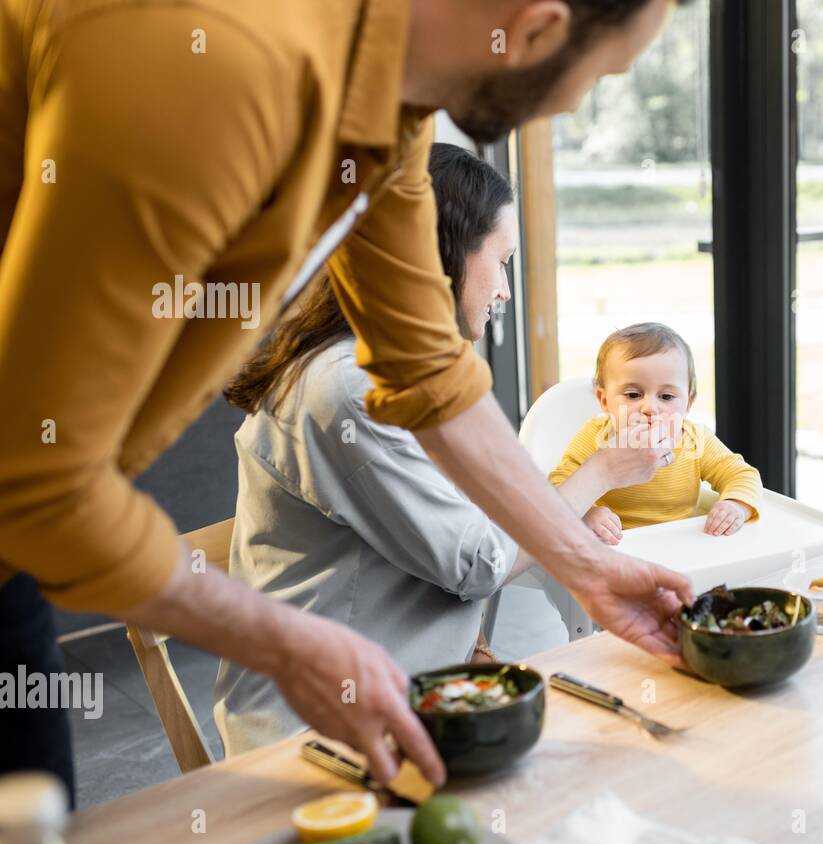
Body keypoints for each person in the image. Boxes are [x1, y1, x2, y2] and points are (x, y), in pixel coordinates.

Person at [0, 0, 696, 796]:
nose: (577, 103)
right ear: (537, 29)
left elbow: (428, 369)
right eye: (603, 72)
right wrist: (290, 645)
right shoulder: (216, 67)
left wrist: (589, 566)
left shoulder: (387, 116)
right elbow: (38, 478)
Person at [214, 145, 615, 754]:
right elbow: (476, 562)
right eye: (502, 262)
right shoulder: (348, 389)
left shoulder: (402, 369)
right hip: (319, 737)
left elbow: (476, 513)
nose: (504, 290)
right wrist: (600, 472)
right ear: (447, 254)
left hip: (419, 689)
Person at [549, 323, 762, 538]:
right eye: (633, 395)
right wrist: (585, 513)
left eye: (667, 397)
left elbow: (742, 474)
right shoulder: (597, 437)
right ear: (604, 400)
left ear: (688, 403)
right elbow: (559, 485)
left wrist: (735, 505)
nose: (650, 408)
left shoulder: (695, 440)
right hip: (617, 547)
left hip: (681, 545)